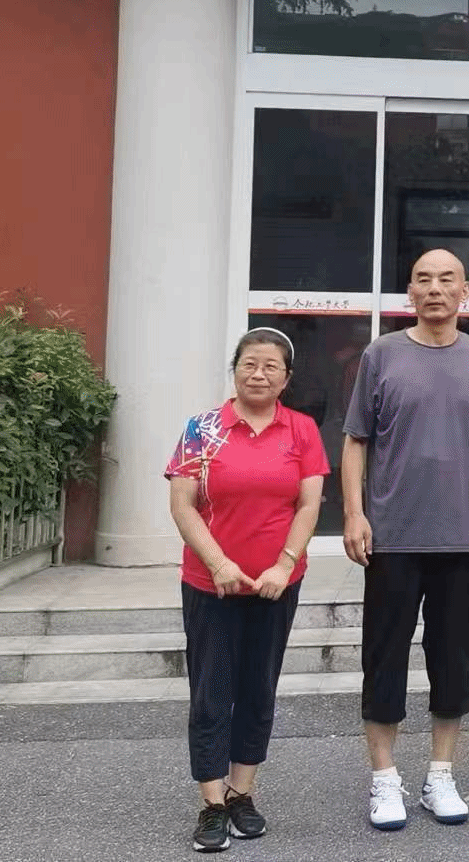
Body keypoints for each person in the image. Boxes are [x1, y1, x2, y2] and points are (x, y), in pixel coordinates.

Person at [342, 249, 469, 831]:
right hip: (392, 536)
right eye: (423, 279)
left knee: (451, 660)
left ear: (466, 292)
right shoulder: (381, 355)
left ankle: (441, 775)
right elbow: (356, 440)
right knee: (383, 657)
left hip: (458, 537)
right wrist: (355, 514)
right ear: (409, 292)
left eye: (446, 279)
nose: (435, 288)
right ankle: (384, 779)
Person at [166, 327, 327, 853]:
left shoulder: (302, 429)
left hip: (276, 586)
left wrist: (284, 565)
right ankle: (212, 803)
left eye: (270, 366)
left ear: (286, 378)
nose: (259, 374)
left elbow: (308, 504)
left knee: (258, 689)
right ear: (234, 370)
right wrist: (218, 563)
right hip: (210, 585)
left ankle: (242, 793)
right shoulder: (202, 429)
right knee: (211, 693)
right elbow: (183, 504)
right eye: (249, 364)